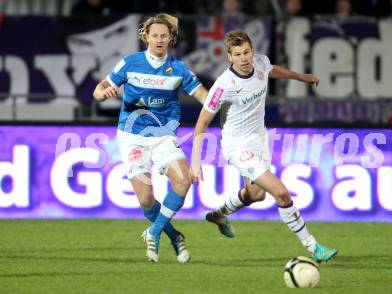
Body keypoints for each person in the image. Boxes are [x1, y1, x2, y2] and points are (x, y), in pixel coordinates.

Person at [190, 29, 337, 262]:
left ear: (253, 50)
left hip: (259, 140)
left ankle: (220, 214)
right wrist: (195, 162)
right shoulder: (223, 85)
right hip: (237, 146)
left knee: (256, 195)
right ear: (229, 57)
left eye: (247, 52)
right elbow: (202, 122)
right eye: (237, 54)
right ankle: (313, 246)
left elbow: (271, 70)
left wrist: (301, 77)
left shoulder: (260, 62)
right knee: (280, 193)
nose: (244, 58)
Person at [93, 13, 208, 263]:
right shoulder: (129, 63)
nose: (159, 39)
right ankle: (175, 237)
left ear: (171, 39)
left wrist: (221, 102)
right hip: (132, 136)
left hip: (163, 135)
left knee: (183, 181)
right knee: (145, 198)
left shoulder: (178, 69)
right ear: (146, 36)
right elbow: (98, 90)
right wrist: (106, 93)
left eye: (163, 36)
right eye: (154, 35)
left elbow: (203, 96)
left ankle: (153, 232)